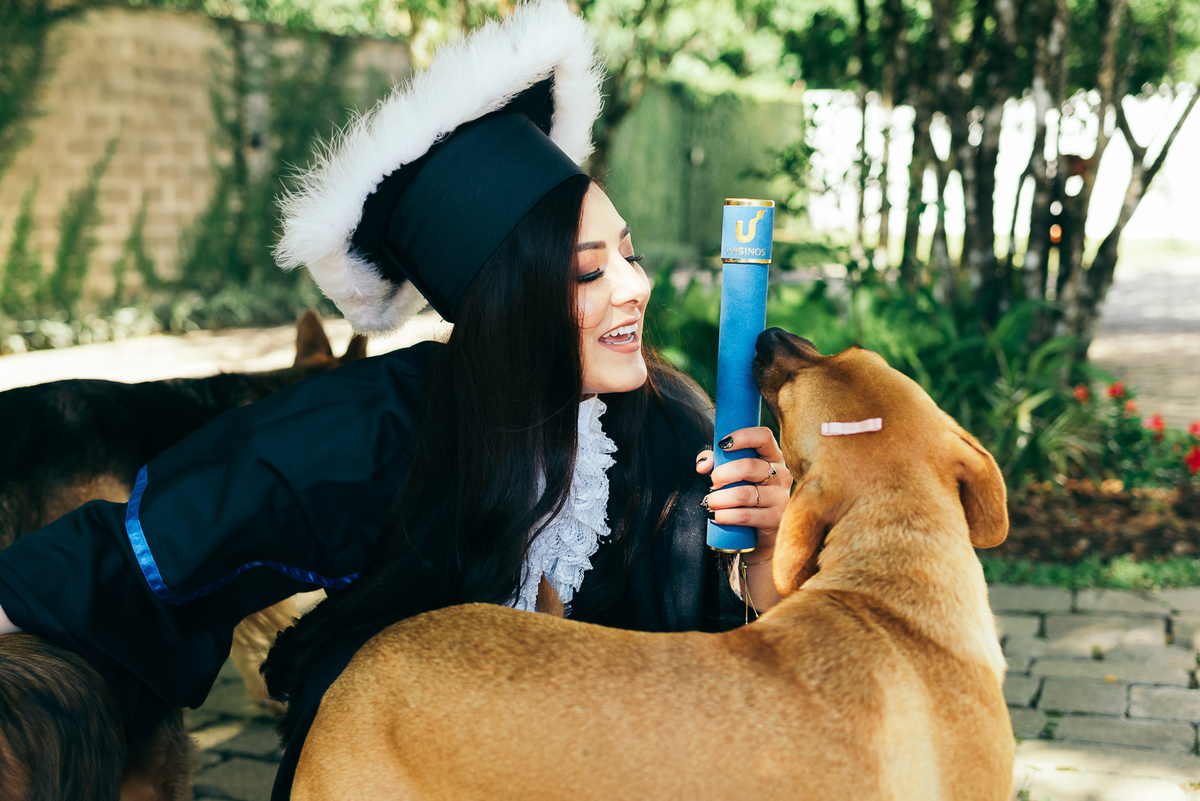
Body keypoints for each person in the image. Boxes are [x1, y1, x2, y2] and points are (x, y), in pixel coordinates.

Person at [0, 3, 791, 797]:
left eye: (630, 254)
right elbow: (165, 540)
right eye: (589, 272)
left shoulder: (677, 429)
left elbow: (743, 673)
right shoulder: (377, 424)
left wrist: (763, 556)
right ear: (504, 306)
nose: (637, 288)